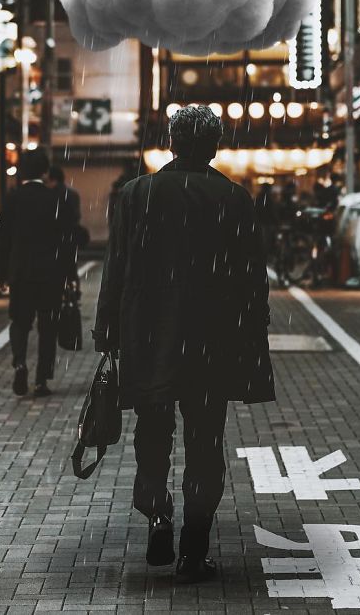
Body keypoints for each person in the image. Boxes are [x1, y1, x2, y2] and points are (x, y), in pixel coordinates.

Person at [93, 105, 275, 583]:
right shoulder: (233, 199)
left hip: (150, 334)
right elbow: (253, 280)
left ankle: (157, 513)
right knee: (205, 442)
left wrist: (107, 329)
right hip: (213, 339)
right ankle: (194, 548)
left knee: (153, 434)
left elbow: (118, 267)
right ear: (214, 146)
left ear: (171, 143)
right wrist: (255, 337)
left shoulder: (137, 194)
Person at [0, 148, 76, 397]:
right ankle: (41, 379)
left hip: (21, 271)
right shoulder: (56, 200)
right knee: (48, 327)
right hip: (50, 273)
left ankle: (20, 363)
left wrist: (0, 273)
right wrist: (70, 275)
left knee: (20, 321)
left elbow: (3, 239)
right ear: (45, 172)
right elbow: (66, 241)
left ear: (22, 173)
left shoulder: (12, 199)